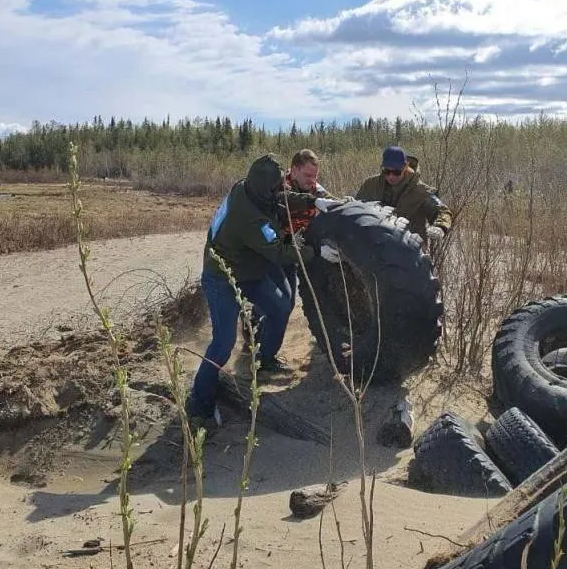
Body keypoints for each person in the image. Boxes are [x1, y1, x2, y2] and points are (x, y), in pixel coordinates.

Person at [186, 153, 331, 431]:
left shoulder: (250, 187)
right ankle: (199, 406)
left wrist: (315, 201)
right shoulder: (249, 217)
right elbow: (278, 251)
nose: (282, 189)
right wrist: (315, 252)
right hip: (223, 278)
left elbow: (282, 198)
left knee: (279, 308)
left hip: (249, 270)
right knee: (223, 342)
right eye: (277, 186)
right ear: (266, 187)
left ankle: (264, 359)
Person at [240, 148, 336, 351]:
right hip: (270, 250)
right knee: (279, 302)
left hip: (291, 250)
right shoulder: (277, 187)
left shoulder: (314, 189)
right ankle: (256, 337)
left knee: (288, 301)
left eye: (315, 176)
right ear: (294, 170)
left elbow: (330, 201)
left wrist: (344, 205)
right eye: (308, 175)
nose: (312, 180)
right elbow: (284, 198)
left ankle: (258, 334)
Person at [354, 146, 452, 245]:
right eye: (386, 171)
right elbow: (356, 208)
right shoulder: (371, 185)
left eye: (396, 172)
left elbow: (442, 211)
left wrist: (440, 227)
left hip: (409, 249)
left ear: (405, 167)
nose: (390, 176)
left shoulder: (421, 191)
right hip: (376, 246)